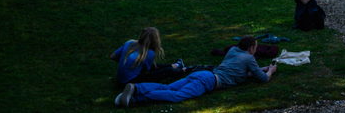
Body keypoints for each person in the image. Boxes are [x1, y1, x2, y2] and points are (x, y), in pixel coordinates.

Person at [115, 35, 277, 107]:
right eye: (255, 48)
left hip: (201, 75)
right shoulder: (249, 59)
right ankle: (136, 99)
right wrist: (270, 71)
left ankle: (136, 88)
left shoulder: (233, 51)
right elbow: (263, 79)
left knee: (170, 87)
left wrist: (260, 69)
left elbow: (240, 72)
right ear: (250, 49)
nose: (256, 50)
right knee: (176, 95)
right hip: (208, 81)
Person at [111, 28, 183, 86]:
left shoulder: (129, 43)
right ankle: (184, 70)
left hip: (120, 79)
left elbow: (113, 56)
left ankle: (175, 65)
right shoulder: (150, 53)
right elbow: (145, 71)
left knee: (151, 66)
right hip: (130, 82)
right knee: (167, 71)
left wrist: (126, 63)